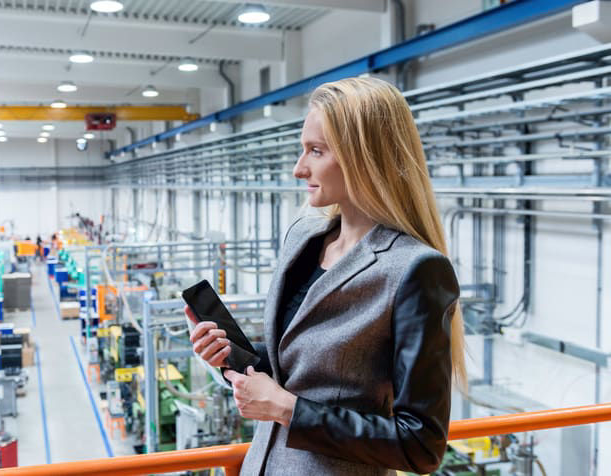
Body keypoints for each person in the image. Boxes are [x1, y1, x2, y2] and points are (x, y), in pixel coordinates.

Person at [187, 77, 464, 475]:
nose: (300, 169)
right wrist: (228, 353)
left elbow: (420, 445)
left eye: (315, 151)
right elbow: (294, 368)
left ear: (364, 157)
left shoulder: (414, 269)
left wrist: (285, 408)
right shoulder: (303, 237)